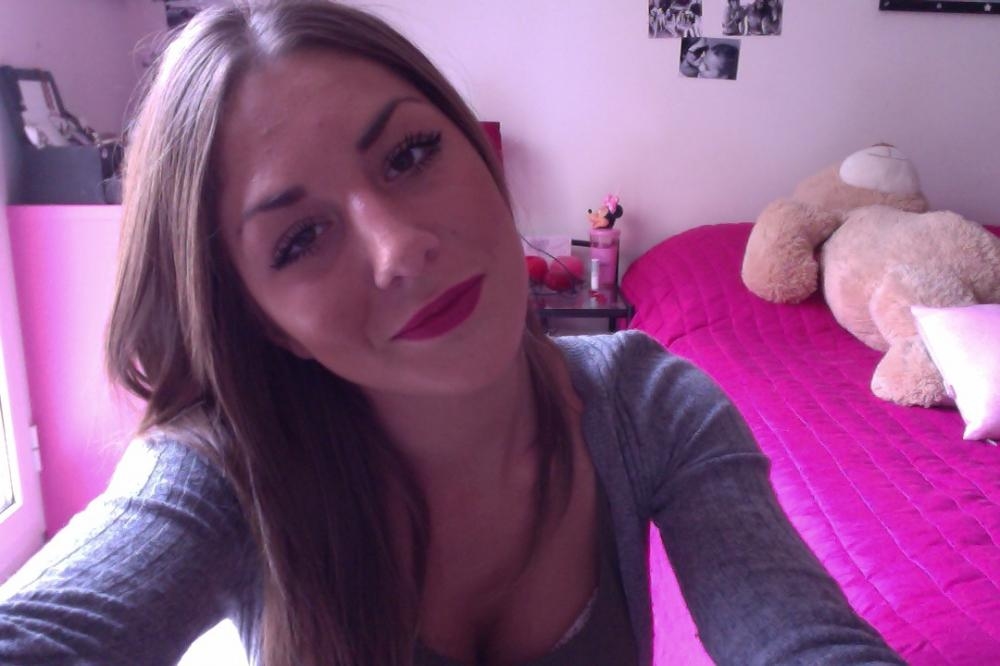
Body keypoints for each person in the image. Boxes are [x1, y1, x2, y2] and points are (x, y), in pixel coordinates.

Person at [0, 2, 905, 665]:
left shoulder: (650, 407)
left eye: (410, 154)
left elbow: (804, 642)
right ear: (262, 323)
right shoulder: (225, 468)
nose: (400, 249)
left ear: (476, 152)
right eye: (300, 239)